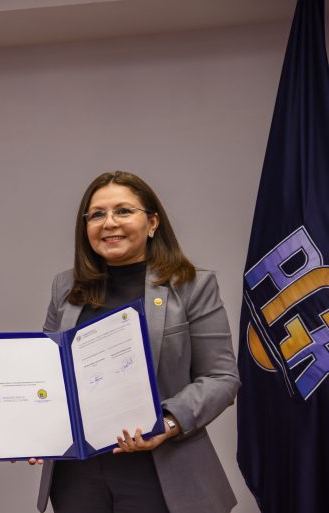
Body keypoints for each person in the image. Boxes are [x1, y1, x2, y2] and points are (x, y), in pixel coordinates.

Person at [33, 171, 240, 513]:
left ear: (152, 222)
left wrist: (168, 423)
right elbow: (49, 373)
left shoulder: (191, 285)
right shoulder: (65, 287)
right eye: (97, 214)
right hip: (78, 477)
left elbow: (222, 378)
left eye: (124, 211)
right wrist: (30, 429)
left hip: (164, 473)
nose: (109, 223)